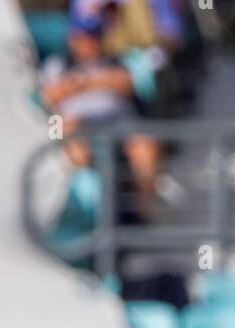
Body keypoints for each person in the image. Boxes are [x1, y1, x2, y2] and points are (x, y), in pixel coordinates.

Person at [39, 11, 162, 219]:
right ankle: (91, 205)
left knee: (144, 146)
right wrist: (72, 85)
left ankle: (141, 216)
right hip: (79, 127)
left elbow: (128, 83)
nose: (89, 43)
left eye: (94, 36)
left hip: (118, 126)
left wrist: (86, 82)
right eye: (84, 37)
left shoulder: (117, 61)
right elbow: (49, 96)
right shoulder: (58, 65)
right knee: (67, 130)